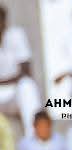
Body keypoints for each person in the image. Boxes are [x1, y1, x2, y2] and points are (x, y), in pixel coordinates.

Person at [0, 6, 39, 134]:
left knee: (28, 86)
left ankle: (34, 139)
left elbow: (26, 71)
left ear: (4, 21)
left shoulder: (16, 34)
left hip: (14, 93)